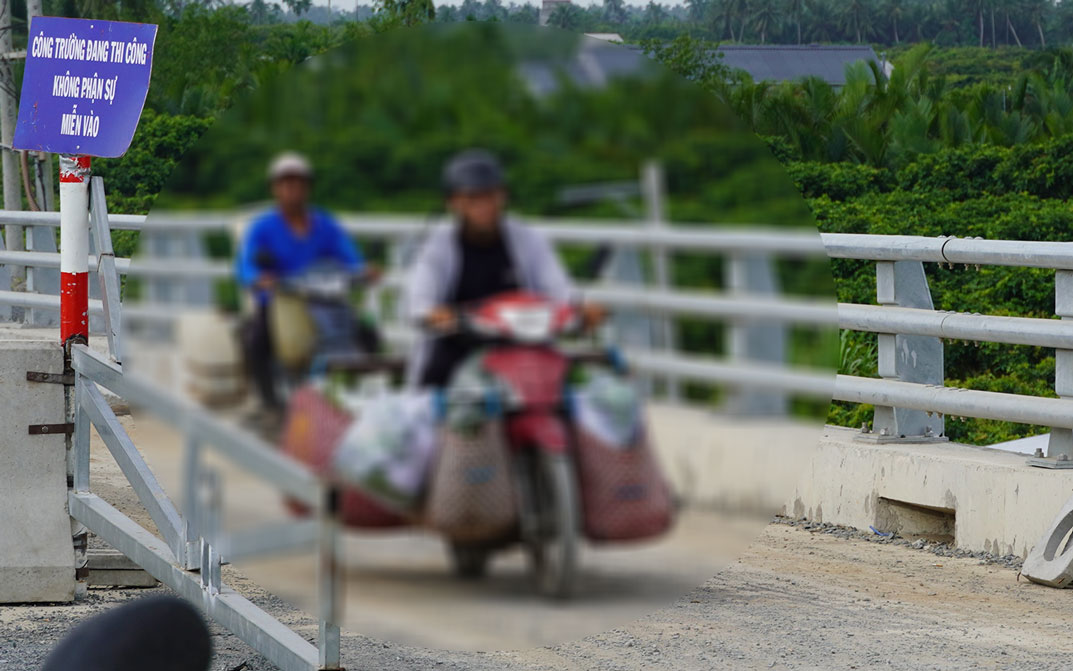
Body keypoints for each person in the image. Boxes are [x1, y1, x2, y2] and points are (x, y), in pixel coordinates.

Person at [406, 149, 604, 387]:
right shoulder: (437, 246)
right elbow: (419, 300)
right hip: (457, 359)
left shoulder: (528, 238)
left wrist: (581, 307)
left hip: (523, 353)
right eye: (472, 199)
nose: (484, 206)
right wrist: (434, 313)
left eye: (491, 196)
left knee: (581, 399)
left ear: (503, 197)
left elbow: (559, 287)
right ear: (453, 203)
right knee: (430, 403)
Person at [237, 151, 378, 410]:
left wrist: (364, 270)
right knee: (257, 339)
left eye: (299, 183)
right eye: (286, 183)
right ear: (275, 188)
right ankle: (270, 404)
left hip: (324, 301)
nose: (293, 189)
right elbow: (247, 264)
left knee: (367, 335)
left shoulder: (325, 224)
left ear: (308, 187)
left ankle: (358, 399)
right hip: (283, 302)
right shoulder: (262, 227)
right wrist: (259, 278)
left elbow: (348, 255)